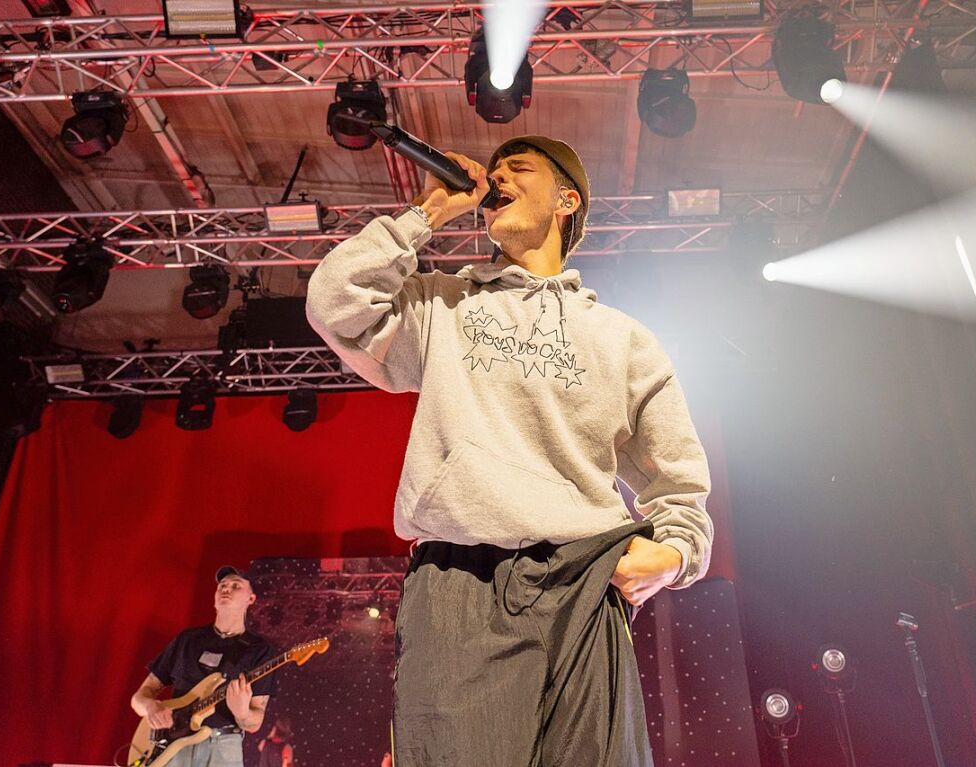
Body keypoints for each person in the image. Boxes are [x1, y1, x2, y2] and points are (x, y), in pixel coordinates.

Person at [305, 136, 713, 766]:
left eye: (518, 169)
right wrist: (428, 212)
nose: (497, 179)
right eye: (492, 174)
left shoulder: (623, 339)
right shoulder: (440, 304)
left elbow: (678, 480)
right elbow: (334, 303)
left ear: (566, 200)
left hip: (584, 579)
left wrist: (679, 553)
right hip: (463, 584)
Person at [130, 566, 277, 767]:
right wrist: (150, 707)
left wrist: (242, 712)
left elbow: (254, 723)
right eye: (222, 586)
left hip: (223, 747)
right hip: (173, 747)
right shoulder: (188, 640)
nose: (227, 589)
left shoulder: (259, 650)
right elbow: (138, 698)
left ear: (250, 599)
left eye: (236, 586)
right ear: (215, 597)